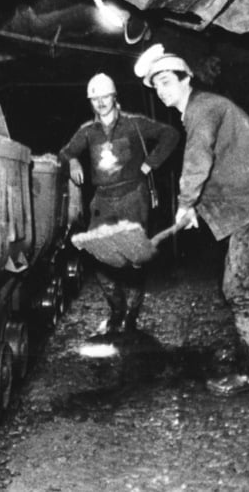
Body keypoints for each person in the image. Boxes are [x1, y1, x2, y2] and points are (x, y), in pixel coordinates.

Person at [134, 44, 249, 395]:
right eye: (156, 85)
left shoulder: (201, 110)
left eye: (166, 81)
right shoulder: (202, 108)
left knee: (240, 286)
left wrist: (185, 203)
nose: (162, 91)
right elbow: (221, 166)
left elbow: (198, 160)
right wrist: (196, 210)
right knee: (239, 284)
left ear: (186, 79)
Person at [60, 72, 179, 333]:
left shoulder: (134, 125)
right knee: (98, 255)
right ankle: (116, 310)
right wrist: (73, 161)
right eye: (95, 99)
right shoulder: (88, 132)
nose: (101, 103)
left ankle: (132, 316)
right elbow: (66, 152)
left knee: (134, 257)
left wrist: (151, 163)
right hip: (103, 199)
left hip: (133, 197)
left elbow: (170, 134)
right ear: (91, 102)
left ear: (114, 97)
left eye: (105, 97)